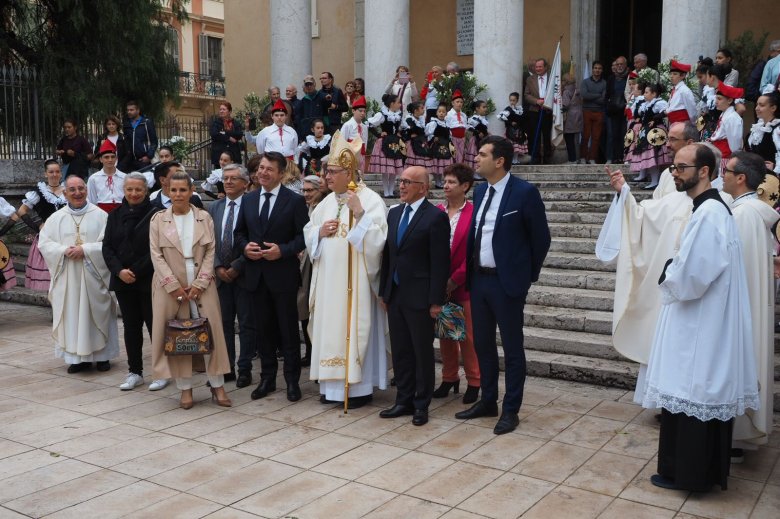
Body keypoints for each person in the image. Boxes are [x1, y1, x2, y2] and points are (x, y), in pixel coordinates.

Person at [633, 144, 758, 492]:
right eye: (674, 167)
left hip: (701, 321)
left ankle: (690, 475)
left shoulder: (710, 213)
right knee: (691, 394)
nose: (674, 172)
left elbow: (695, 273)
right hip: (702, 318)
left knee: (694, 391)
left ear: (704, 171)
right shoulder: (707, 209)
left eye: (681, 167)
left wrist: (668, 274)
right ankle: (683, 471)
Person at [597, 122, 731, 409]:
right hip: (675, 293)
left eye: (675, 141)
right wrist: (624, 193)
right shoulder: (678, 191)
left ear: (705, 169)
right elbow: (648, 214)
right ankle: (666, 403)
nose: (674, 169)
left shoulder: (718, 206)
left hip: (700, 301)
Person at [455, 136, 551, 435]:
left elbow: (541, 239)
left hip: (507, 283)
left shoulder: (524, 192)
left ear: (500, 161)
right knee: (482, 343)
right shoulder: (481, 191)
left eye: (482, 154)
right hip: (479, 281)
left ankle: (511, 409)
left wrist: (526, 276)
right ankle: (487, 399)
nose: (476, 159)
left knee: (511, 348)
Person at [305, 132, 389, 408]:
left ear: (350, 171)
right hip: (329, 283)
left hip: (356, 283)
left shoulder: (371, 200)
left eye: (333, 172)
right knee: (329, 329)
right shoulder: (327, 202)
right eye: (326, 172)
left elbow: (379, 242)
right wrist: (319, 232)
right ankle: (331, 388)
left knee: (353, 327)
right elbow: (309, 232)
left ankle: (358, 389)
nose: (326, 177)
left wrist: (360, 215)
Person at [149, 171, 232, 409]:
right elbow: (156, 255)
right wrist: (173, 286)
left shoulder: (203, 218)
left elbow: (210, 251)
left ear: (191, 191)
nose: (178, 195)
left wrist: (200, 283)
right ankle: (185, 389)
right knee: (180, 337)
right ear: (167, 191)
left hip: (201, 285)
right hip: (170, 286)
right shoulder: (158, 220)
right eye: (173, 190)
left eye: (183, 190)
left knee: (210, 334)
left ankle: (218, 385)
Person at [233, 152, 309, 402]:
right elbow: (240, 233)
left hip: (283, 276)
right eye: (261, 168)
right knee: (263, 331)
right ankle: (267, 378)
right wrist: (245, 248)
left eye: (269, 169)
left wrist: (283, 251)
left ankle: (291, 381)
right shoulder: (249, 199)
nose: (263, 173)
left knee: (287, 331)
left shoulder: (295, 201)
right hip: (256, 276)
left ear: (281, 173)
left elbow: (302, 236)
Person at [378, 165, 450, 426]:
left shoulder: (435, 217)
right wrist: (385, 291)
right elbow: (389, 255)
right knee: (401, 351)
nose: (402, 186)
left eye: (408, 182)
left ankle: (421, 403)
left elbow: (440, 263)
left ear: (423, 187)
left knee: (421, 352)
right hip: (396, 295)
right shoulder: (394, 213)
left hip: (421, 297)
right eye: (401, 181)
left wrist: (436, 301)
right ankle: (403, 400)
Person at [720, 151, 778, 454]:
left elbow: (730, 266)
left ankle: (736, 436)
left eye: (726, 170)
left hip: (740, 308)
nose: (722, 174)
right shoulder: (753, 211)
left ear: (741, 178)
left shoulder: (742, 215)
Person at [38, 175, 119, 373]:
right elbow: (45, 243)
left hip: (94, 277)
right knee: (72, 315)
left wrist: (86, 250)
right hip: (68, 277)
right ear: (65, 193)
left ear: (86, 190)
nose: (77, 193)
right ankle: (77, 359)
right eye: (72, 190)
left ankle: (103, 357)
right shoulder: (56, 218)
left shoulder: (101, 216)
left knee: (97, 314)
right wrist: (63, 251)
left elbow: (109, 244)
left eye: (81, 188)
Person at [102, 172, 168, 391]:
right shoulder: (114, 215)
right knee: (131, 327)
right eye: (129, 189)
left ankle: (161, 371)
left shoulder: (157, 214)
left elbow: (157, 249)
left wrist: (135, 271)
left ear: (145, 191)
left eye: (138, 189)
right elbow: (107, 247)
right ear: (124, 190)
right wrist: (120, 271)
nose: (134, 193)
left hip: (148, 278)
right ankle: (135, 372)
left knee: (154, 325)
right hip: (123, 281)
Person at [434, 163, 480, 404]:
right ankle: (449, 377)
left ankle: (475, 380)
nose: (446, 186)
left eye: (452, 182)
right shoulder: (438, 211)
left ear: (465, 186)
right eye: (445, 181)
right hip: (441, 285)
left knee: (469, 337)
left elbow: (472, 254)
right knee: (447, 335)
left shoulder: (473, 214)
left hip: (464, 284)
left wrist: (454, 280)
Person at [207, 164, 255, 387]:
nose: (228, 182)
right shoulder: (214, 207)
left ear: (245, 183)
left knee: (246, 323)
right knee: (223, 323)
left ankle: (245, 368)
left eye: (234, 178)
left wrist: (238, 265)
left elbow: (256, 239)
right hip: (220, 276)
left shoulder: (253, 206)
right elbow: (208, 242)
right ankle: (226, 368)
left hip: (244, 273)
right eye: (225, 178)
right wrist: (217, 267)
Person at [8, 160, 66, 291]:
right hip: (47, 237)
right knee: (50, 278)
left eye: (57, 171)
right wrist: (38, 226)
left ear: (61, 174)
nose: (54, 174)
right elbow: (22, 211)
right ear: (45, 174)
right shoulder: (39, 192)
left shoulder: (68, 191)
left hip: (67, 236)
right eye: (51, 172)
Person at [298, 174, 325, 367]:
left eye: (310, 190)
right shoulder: (302, 207)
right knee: (303, 308)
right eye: (304, 190)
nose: (306, 194)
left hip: (316, 262)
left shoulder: (325, 207)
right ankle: (309, 350)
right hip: (301, 262)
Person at [630, 83, 671, 189]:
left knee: (652, 156)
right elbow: (638, 114)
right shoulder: (645, 104)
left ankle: (654, 181)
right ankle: (642, 175)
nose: (644, 94)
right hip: (645, 132)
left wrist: (655, 119)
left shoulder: (659, 103)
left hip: (655, 132)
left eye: (647, 92)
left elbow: (666, 112)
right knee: (644, 154)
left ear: (654, 94)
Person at [367, 93, 405, 197]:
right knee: (386, 168)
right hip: (385, 142)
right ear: (392, 103)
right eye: (398, 102)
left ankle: (391, 191)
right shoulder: (382, 114)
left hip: (395, 142)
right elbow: (369, 124)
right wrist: (379, 134)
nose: (400, 104)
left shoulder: (399, 115)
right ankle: (386, 191)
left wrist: (400, 134)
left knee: (393, 168)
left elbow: (404, 127)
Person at [708, 83, 745, 174]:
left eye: (719, 99)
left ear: (729, 100)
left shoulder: (732, 118)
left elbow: (735, 147)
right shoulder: (724, 114)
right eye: (716, 98)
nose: (716, 101)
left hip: (725, 159)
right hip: (719, 156)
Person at [524, 58, 554, 164]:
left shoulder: (553, 78)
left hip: (548, 111)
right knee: (534, 135)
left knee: (546, 135)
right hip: (535, 111)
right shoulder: (530, 79)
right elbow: (526, 95)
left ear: (545, 67)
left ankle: (547, 158)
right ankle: (535, 157)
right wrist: (536, 101)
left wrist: (548, 101)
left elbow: (557, 93)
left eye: (540, 66)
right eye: (536, 67)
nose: (538, 69)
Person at [745, 90, 780, 172]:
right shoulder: (758, 127)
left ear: (773, 108)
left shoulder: (777, 129)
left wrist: (775, 168)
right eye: (757, 104)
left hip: (771, 178)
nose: (756, 108)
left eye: (762, 105)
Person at [87, 140, 125, 213]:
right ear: (101, 159)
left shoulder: (124, 177)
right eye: (106, 157)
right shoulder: (94, 178)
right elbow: (92, 200)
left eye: (112, 157)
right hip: (101, 212)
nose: (110, 160)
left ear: (116, 158)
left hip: (121, 212)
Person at [580, 61, 607, 164]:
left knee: (596, 137)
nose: (597, 70)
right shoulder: (585, 82)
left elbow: (603, 98)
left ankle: (592, 158)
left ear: (602, 70)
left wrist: (591, 95)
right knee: (585, 135)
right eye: (595, 68)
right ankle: (583, 157)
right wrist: (598, 95)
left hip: (599, 112)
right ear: (592, 69)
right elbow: (584, 95)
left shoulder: (604, 83)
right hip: (587, 110)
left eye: (599, 68)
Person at [122, 100, 158, 172]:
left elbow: (154, 142)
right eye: (128, 110)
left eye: (131, 110)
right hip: (130, 161)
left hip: (144, 160)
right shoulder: (126, 124)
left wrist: (148, 156)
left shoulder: (146, 123)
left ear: (138, 110)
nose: (129, 112)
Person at [605, 56, 629, 163]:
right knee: (614, 135)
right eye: (617, 64)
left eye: (621, 64)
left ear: (625, 65)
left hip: (625, 111)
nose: (619, 66)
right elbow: (607, 94)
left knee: (625, 134)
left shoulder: (630, 76)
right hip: (614, 111)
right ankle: (614, 157)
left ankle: (624, 157)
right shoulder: (611, 78)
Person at [425, 103, 455, 186]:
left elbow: (449, 135)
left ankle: (440, 181)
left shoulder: (447, 124)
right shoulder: (434, 123)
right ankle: (437, 181)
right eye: (439, 111)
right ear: (437, 113)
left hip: (445, 145)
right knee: (437, 164)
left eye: (443, 112)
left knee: (443, 164)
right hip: (436, 146)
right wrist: (433, 137)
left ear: (446, 113)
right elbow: (428, 133)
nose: (441, 113)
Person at [340, 95, 369, 173]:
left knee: (359, 178)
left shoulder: (364, 127)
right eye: (360, 111)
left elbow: (365, 142)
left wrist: (362, 155)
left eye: (364, 111)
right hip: (350, 157)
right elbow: (342, 142)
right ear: (353, 111)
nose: (362, 113)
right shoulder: (347, 125)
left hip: (361, 157)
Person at [210, 101, 243, 168]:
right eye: (220, 109)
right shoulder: (216, 123)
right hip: (219, 154)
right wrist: (229, 138)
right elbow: (214, 134)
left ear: (229, 111)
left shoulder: (235, 123)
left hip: (233, 155)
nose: (221, 111)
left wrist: (224, 133)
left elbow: (239, 134)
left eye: (224, 109)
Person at [499, 92, 528, 164]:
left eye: (513, 100)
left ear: (517, 100)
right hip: (510, 130)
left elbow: (522, 119)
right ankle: (512, 159)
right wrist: (510, 122)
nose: (512, 102)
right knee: (512, 145)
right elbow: (502, 118)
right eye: (510, 100)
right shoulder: (508, 109)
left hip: (518, 130)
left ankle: (516, 159)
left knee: (517, 145)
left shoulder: (519, 109)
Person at [296, 75, 328, 140]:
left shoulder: (322, 97)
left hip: (321, 132)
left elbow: (328, 105)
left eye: (311, 84)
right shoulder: (303, 101)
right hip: (307, 133)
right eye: (307, 85)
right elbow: (299, 119)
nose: (309, 87)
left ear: (314, 84)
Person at [665, 60, 697, 125]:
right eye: (670, 74)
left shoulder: (684, 91)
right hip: (673, 123)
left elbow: (692, 110)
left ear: (683, 76)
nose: (671, 76)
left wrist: (692, 124)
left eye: (675, 74)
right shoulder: (675, 89)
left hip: (682, 124)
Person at [561, 74, 583, 163]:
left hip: (570, 116)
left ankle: (572, 159)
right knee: (575, 139)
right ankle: (577, 158)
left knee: (569, 139)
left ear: (565, 81)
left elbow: (565, 105)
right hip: (578, 115)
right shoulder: (577, 89)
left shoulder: (566, 91)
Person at [402, 101, 430, 169]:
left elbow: (421, 131)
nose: (423, 110)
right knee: (412, 161)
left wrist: (418, 132)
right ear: (416, 110)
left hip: (420, 142)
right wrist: (418, 131)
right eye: (422, 108)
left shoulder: (421, 119)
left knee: (421, 161)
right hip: (412, 143)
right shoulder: (409, 119)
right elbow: (413, 129)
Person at [466, 100, 490, 168]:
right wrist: (478, 132)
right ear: (477, 108)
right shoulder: (474, 118)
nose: (486, 109)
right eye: (484, 107)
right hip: (475, 140)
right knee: (476, 154)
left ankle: (480, 171)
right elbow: (469, 128)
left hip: (483, 140)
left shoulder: (484, 119)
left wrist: (487, 132)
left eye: (486, 107)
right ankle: (475, 173)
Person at [446, 90, 469, 164]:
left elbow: (465, 126)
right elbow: (447, 126)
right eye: (457, 102)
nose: (459, 104)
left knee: (461, 154)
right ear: (453, 103)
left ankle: (459, 170)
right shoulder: (449, 114)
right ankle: (453, 169)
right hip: (453, 138)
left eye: (461, 102)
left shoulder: (464, 115)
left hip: (462, 138)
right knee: (454, 154)